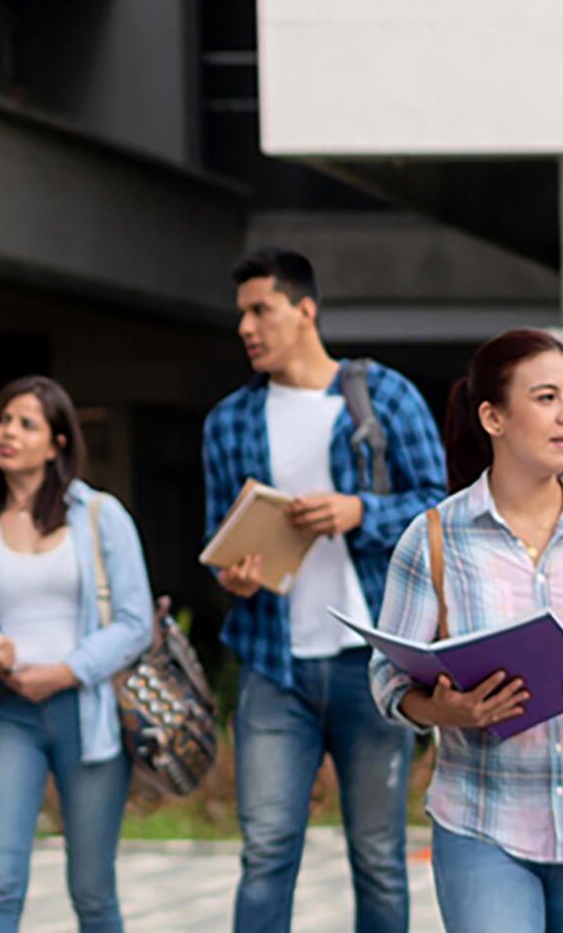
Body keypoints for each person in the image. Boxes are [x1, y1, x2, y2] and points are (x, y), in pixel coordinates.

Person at [203, 247, 444, 933]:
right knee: (267, 853)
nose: (246, 327)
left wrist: (358, 512)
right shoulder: (227, 422)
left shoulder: (384, 396)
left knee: (377, 856)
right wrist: (233, 576)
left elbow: (437, 508)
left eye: (261, 310)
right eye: (241, 314)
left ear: (305, 311)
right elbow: (219, 544)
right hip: (273, 668)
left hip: (372, 665)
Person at [0, 376, 151, 932]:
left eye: (26, 424)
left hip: (86, 712)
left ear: (58, 443)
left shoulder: (100, 517)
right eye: (2, 420)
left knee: (92, 890)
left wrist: (65, 672)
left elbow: (136, 623)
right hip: (9, 716)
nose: (8, 433)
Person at [372, 328, 563, 931]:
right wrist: (440, 711)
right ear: (493, 417)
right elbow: (386, 678)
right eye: (547, 397)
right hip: (483, 823)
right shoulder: (432, 538)